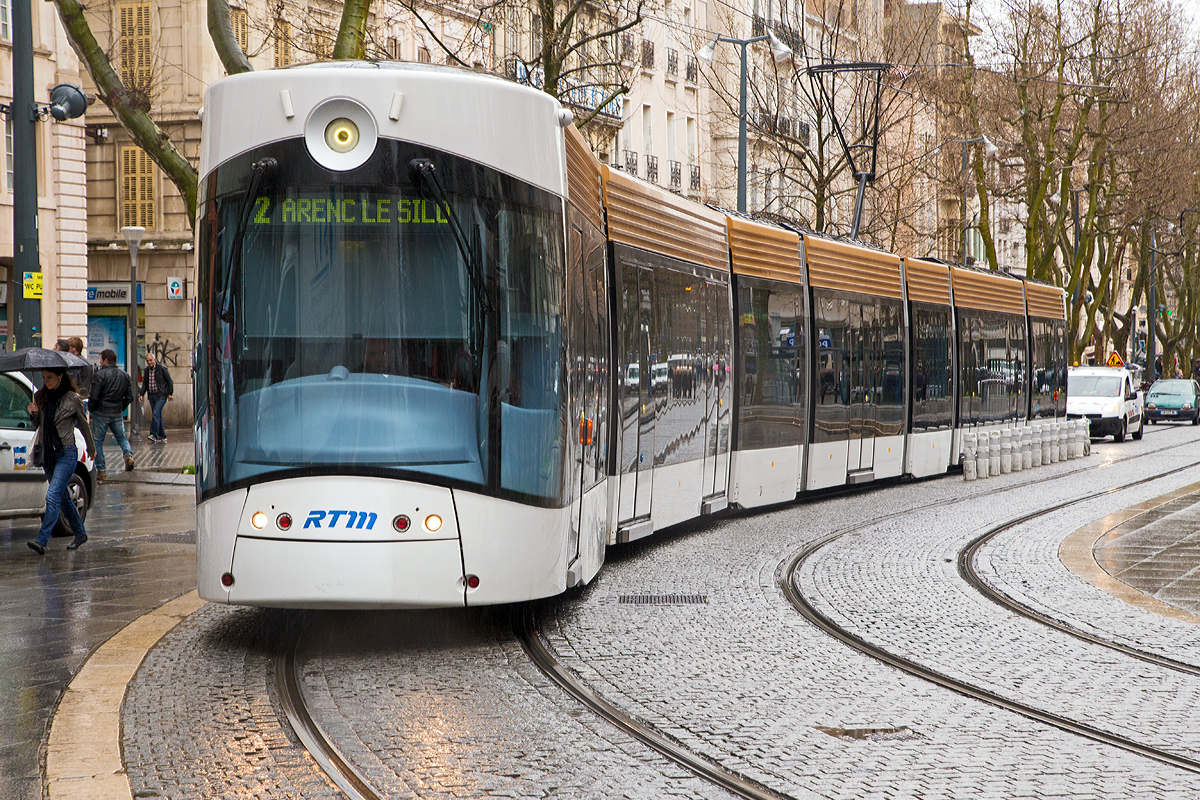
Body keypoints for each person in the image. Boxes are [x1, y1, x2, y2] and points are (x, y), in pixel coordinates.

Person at [26, 368, 95, 553]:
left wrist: (91, 447)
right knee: (63, 498)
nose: (46, 381)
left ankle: (41, 540)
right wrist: (33, 414)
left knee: (53, 495)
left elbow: (83, 424)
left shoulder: (72, 398)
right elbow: (38, 424)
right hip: (48, 455)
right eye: (44, 378)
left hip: (67, 453)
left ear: (60, 376)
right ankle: (80, 533)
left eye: (50, 377)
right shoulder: (41, 396)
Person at [88, 349, 136, 480]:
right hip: (117, 413)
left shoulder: (99, 375)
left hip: (101, 413)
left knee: (97, 442)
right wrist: (121, 407)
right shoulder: (124, 375)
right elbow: (129, 396)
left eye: (101, 360)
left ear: (106, 360)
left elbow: (94, 397)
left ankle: (101, 470)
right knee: (122, 438)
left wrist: (92, 409)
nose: (100, 362)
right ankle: (128, 455)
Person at [139, 353, 174, 442]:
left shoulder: (161, 368)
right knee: (158, 415)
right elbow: (145, 384)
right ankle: (162, 435)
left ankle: (153, 434)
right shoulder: (146, 371)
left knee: (155, 413)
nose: (149, 362)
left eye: (150, 360)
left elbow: (169, 381)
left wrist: (170, 393)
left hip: (161, 395)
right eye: (147, 361)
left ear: (154, 360)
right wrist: (141, 394)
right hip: (151, 395)